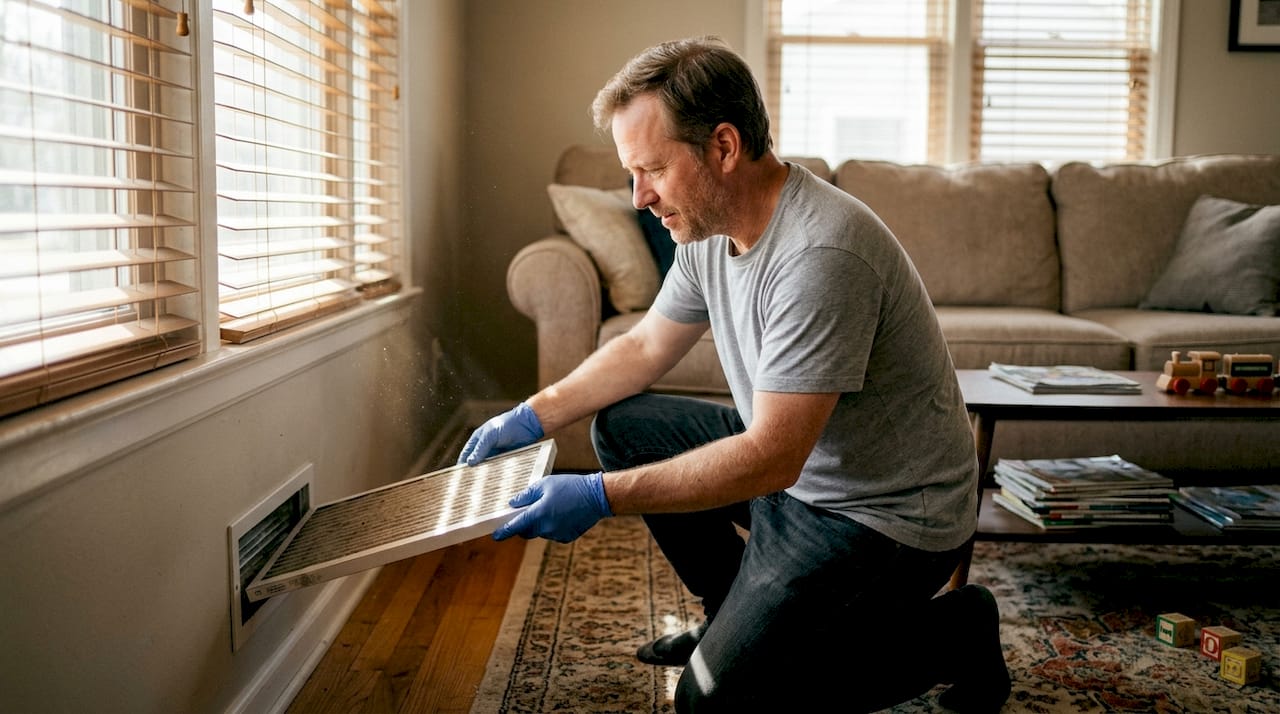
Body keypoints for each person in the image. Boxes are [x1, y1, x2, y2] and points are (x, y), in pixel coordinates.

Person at [459, 36, 1010, 713]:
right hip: (798, 468)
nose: (639, 197)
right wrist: (529, 415)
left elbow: (770, 458)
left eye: (652, 169)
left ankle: (958, 632)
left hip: (884, 515)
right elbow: (642, 352)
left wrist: (601, 497)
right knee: (625, 428)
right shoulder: (710, 228)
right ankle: (731, 613)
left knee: (718, 702)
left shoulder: (822, 253)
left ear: (723, 148)